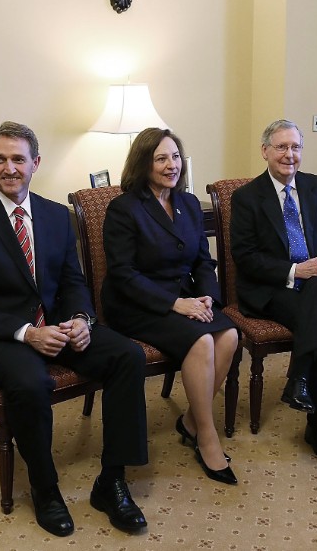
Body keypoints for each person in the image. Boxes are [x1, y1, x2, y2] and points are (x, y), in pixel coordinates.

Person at [0, 121, 149, 537]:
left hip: (55, 327)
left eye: (18, 159)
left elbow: (73, 281)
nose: (9, 168)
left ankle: (113, 481)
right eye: (0, 159)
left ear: (35, 162)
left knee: (128, 355)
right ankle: (45, 488)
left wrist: (82, 321)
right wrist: (26, 333)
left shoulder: (56, 216)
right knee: (30, 382)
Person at [102, 127, 240, 485]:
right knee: (202, 341)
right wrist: (176, 304)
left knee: (228, 335)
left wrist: (207, 296)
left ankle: (191, 420)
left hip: (186, 298)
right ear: (143, 162)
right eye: (161, 158)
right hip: (137, 304)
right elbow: (122, 275)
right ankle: (206, 437)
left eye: (175, 156)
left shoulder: (189, 203)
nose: (171, 165)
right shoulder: (124, 208)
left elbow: (202, 262)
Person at [229, 119, 317, 465]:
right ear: (265, 151)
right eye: (281, 147)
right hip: (272, 289)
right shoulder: (247, 197)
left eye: (295, 147)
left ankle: (300, 384)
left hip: (316, 282)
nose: (289, 155)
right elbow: (246, 257)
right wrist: (298, 270)